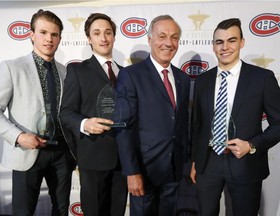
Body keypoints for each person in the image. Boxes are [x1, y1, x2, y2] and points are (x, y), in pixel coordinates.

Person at [190, 18, 280, 216]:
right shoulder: (203, 80)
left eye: (231, 40)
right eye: (219, 42)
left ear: (242, 42)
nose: (225, 47)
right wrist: (195, 161)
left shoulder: (262, 78)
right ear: (213, 46)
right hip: (208, 163)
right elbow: (198, 125)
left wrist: (252, 145)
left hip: (245, 163)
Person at [0, 9, 76, 216]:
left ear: (60, 38)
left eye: (54, 34)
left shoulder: (66, 72)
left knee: (62, 210)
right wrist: (19, 136)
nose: (49, 39)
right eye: (43, 32)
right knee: (23, 211)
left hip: (62, 154)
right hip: (27, 152)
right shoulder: (12, 67)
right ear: (31, 35)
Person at [114, 15, 190, 216]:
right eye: (162, 36)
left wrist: (188, 162)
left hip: (173, 171)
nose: (168, 43)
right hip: (143, 171)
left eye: (174, 37)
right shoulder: (131, 75)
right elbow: (123, 127)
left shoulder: (183, 78)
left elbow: (182, 124)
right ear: (150, 40)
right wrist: (131, 171)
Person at [59, 13, 127, 216]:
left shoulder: (126, 73)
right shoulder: (78, 71)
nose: (103, 38)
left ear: (114, 36)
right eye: (97, 33)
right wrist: (85, 123)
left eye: (108, 32)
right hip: (93, 156)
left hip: (123, 158)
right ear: (89, 38)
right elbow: (66, 113)